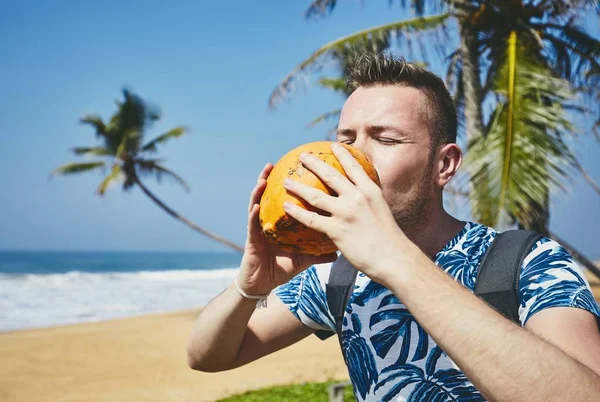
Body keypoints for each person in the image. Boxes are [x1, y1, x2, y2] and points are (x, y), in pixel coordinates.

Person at [186, 52, 600, 401]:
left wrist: (396, 259)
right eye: (346, 139)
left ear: (444, 164)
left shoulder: (528, 261)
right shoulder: (337, 275)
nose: (353, 159)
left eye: (385, 140)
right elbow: (208, 356)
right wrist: (250, 286)